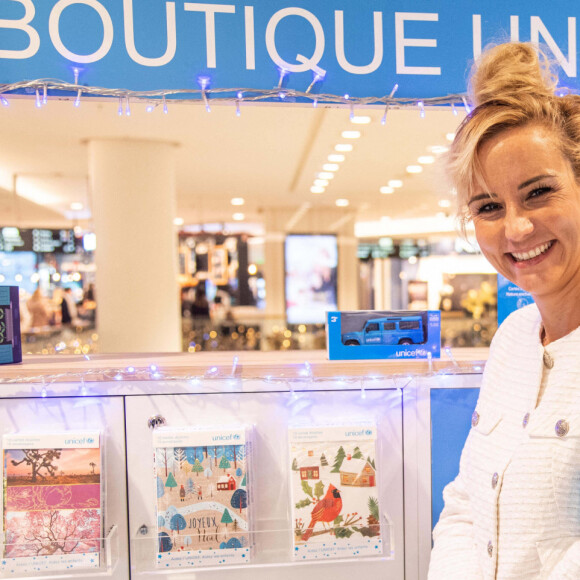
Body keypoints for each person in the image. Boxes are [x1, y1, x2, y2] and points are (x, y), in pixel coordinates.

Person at [429, 42, 580, 579]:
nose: (515, 229)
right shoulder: (514, 338)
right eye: (488, 207)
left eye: (538, 193)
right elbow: (467, 506)